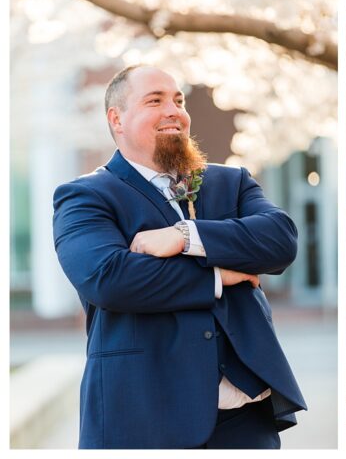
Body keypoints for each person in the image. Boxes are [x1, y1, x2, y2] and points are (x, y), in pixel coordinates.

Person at [52, 65, 306, 448]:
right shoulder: (85, 196)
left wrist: (185, 237)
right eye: (155, 100)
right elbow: (110, 279)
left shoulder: (230, 182)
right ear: (116, 118)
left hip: (245, 418)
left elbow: (280, 241)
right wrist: (220, 276)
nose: (174, 110)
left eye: (178, 100)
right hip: (143, 417)